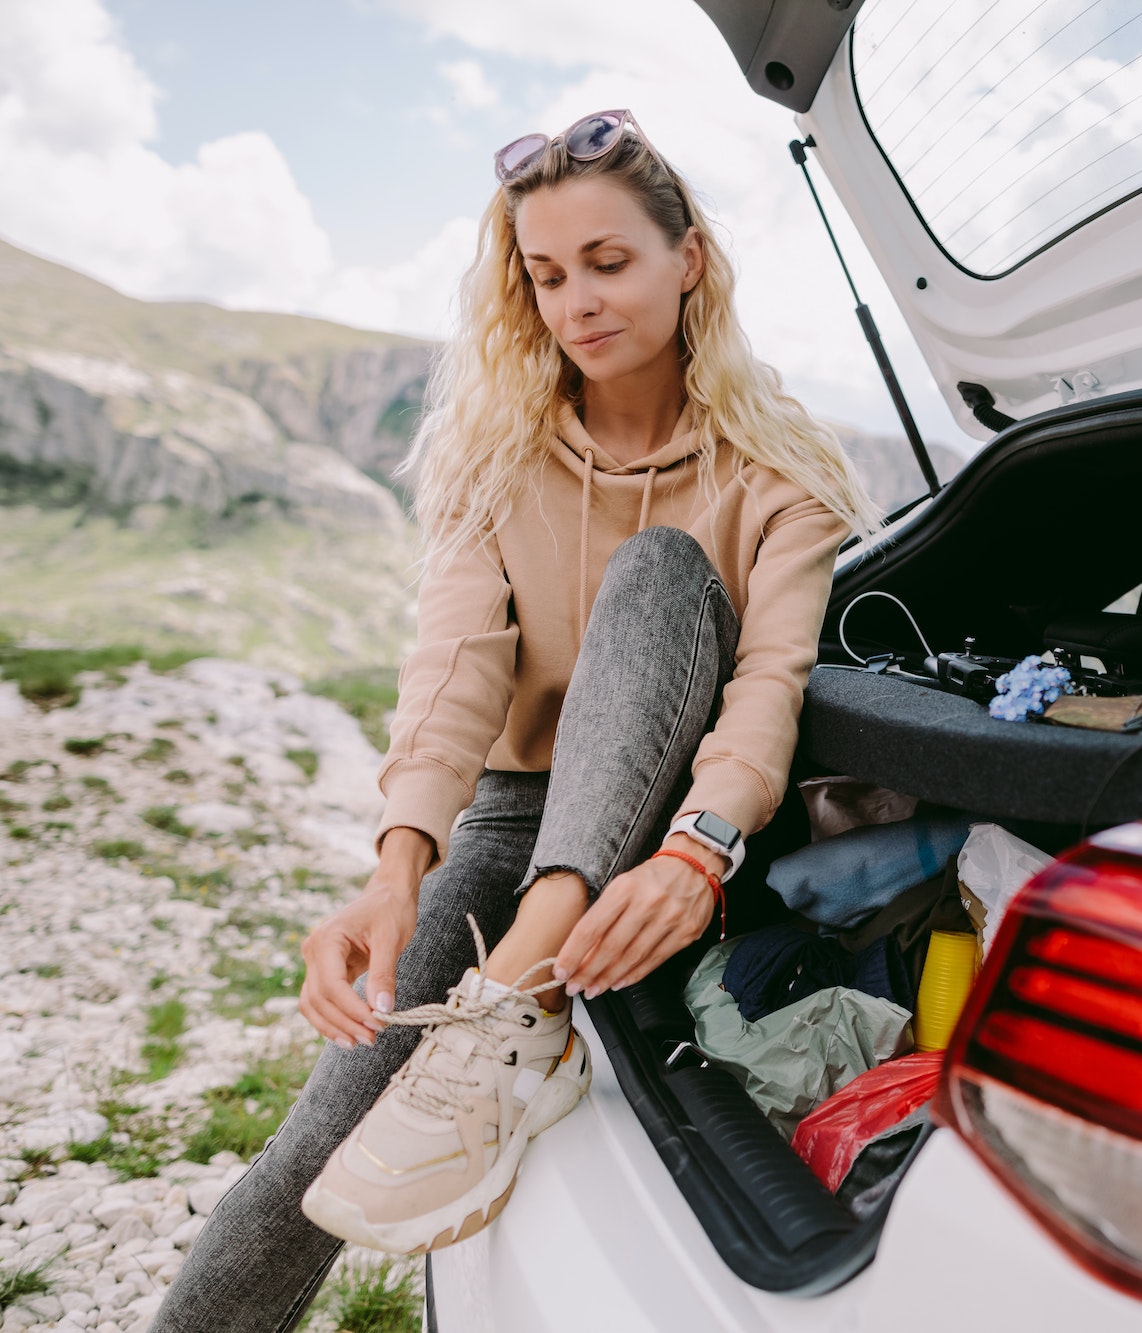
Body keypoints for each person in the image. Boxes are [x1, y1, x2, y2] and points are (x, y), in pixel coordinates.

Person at [152, 109, 877, 1331]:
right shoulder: (500, 458)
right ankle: (516, 1001)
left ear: (686, 258)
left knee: (656, 573)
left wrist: (701, 850)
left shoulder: (777, 468)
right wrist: (395, 872)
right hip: (514, 818)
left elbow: (770, 681)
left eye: (608, 261)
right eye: (545, 276)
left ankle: (512, 997)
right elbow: (451, 675)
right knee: (311, 1157)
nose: (576, 302)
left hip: (688, 822)